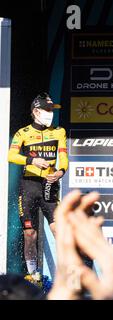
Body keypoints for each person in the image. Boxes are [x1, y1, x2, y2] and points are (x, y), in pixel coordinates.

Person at [7, 92, 68, 281]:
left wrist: (61, 172)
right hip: (29, 186)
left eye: (52, 110)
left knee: (59, 230)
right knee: (30, 233)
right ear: (36, 111)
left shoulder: (59, 131)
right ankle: (33, 274)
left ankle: (66, 273)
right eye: (48, 109)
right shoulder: (22, 133)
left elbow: (64, 158)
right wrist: (32, 160)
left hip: (49, 185)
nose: (51, 113)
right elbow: (11, 156)